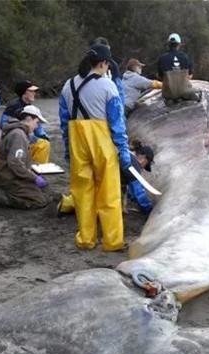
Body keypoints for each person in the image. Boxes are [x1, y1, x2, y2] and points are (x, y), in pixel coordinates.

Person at [58, 44, 135, 251]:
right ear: (104, 63)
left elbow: (64, 122)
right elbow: (117, 123)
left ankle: (86, 238)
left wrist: (67, 149)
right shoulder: (108, 86)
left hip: (77, 142)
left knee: (83, 193)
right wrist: (123, 151)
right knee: (108, 193)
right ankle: (112, 241)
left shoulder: (68, 86)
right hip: (102, 143)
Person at [0, 105, 52, 209]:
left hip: (9, 174)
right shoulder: (18, 135)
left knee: (45, 191)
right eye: (36, 122)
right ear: (28, 119)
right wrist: (34, 177)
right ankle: (3, 196)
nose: (37, 126)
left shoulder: (18, 132)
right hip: (9, 178)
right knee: (39, 201)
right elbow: (15, 163)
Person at [0, 80, 51, 165]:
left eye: (34, 91)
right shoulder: (13, 106)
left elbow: (36, 125)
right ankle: (37, 170)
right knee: (43, 145)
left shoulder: (29, 106)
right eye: (31, 91)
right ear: (24, 93)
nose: (34, 93)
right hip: (16, 140)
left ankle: (36, 168)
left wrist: (42, 135)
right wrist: (28, 135)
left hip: (26, 138)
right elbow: (4, 125)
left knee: (45, 143)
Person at [156, 33, 201, 103]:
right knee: (198, 96)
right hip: (185, 91)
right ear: (179, 44)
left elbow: (160, 76)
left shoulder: (162, 58)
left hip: (169, 94)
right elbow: (190, 76)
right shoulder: (185, 57)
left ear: (168, 44)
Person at [123, 144, 154, 214]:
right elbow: (139, 193)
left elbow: (131, 189)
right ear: (144, 158)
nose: (143, 168)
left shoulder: (126, 153)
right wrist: (148, 209)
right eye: (146, 164)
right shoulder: (134, 166)